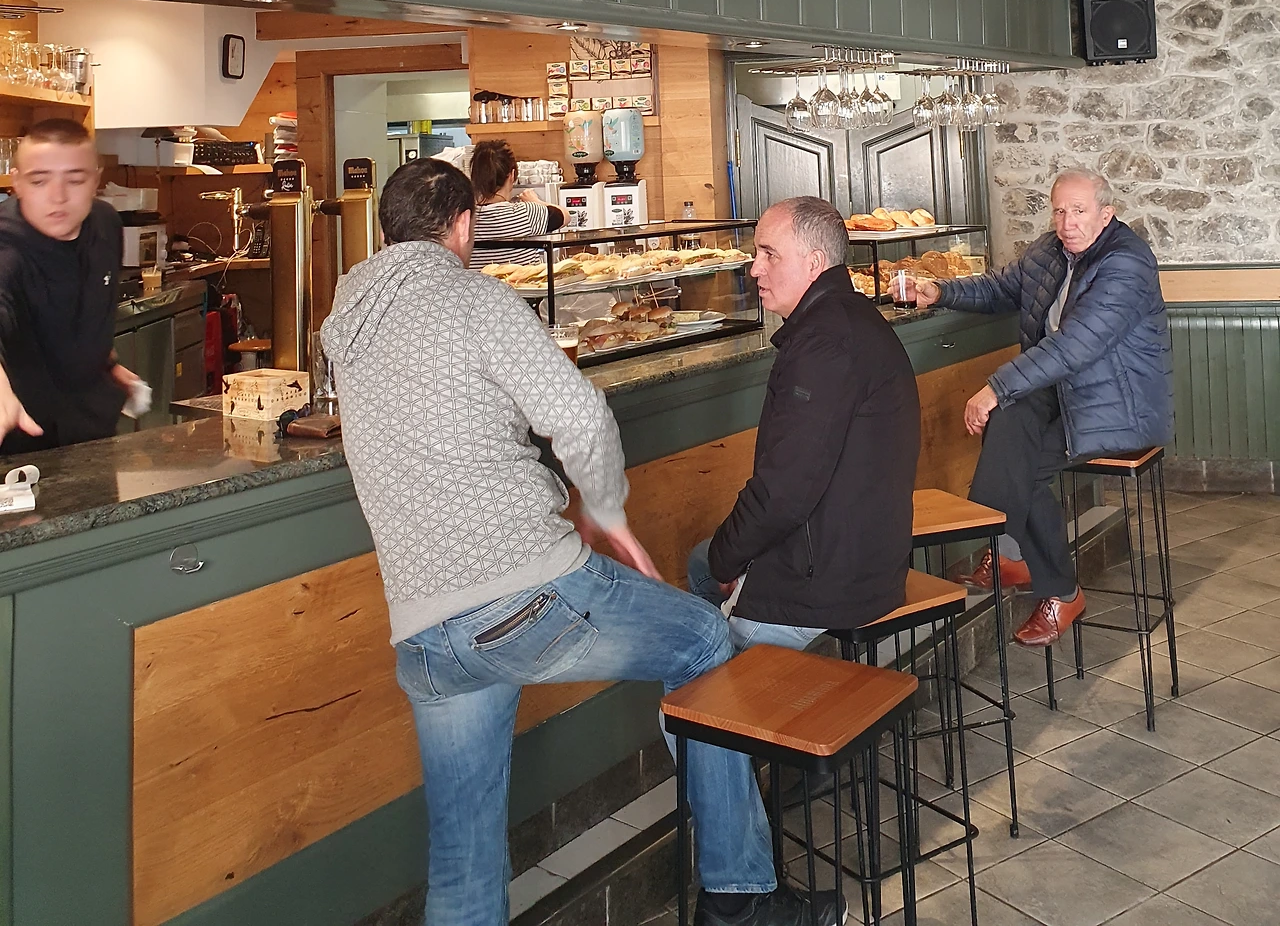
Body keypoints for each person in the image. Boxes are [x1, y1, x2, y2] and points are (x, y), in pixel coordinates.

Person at [322, 158, 842, 926]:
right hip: (525, 594)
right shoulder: (477, 299)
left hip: (428, 633)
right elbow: (581, 415)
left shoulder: (347, 319)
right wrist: (605, 509)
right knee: (705, 639)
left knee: (463, 861)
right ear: (463, 226)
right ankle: (739, 900)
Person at [904, 169, 1172, 648]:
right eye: (1059, 211)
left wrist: (995, 387)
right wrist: (941, 291)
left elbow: (1074, 346)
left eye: (1079, 211)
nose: (1067, 222)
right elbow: (1001, 288)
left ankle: (1057, 587)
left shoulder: (1127, 263)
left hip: (1116, 405)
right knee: (1009, 422)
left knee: (1019, 461)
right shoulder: (1051, 250)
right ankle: (1009, 551)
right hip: (1061, 394)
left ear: (1106, 214)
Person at [689, 197, 920, 652]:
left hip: (826, 585)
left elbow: (784, 492)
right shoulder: (846, 318)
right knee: (703, 561)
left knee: (688, 650)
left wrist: (726, 560)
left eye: (769, 254)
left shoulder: (822, 346)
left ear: (814, 263)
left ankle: (734, 687)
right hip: (865, 556)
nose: (754, 269)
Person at [0, 119, 141, 454]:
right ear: (16, 182)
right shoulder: (7, 247)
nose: (58, 197)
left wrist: (104, 362)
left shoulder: (106, 223)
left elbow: (87, 309)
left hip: (94, 433)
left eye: (75, 180)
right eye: (39, 180)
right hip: (22, 440)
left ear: (96, 180)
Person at [466, 137, 564, 268]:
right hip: (523, 281)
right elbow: (565, 216)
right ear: (512, 175)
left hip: (476, 282)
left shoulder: (463, 219)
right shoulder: (526, 212)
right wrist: (536, 201)